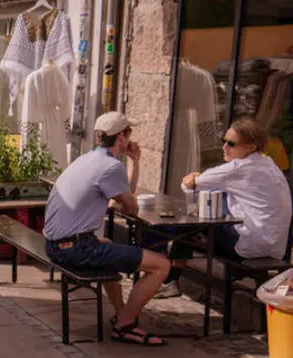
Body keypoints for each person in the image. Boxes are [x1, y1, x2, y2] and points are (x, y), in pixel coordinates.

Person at [42, 111, 170, 345]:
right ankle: (125, 326)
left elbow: (121, 197)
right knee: (161, 265)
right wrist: (133, 163)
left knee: (109, 245)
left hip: (55, 245)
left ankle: (122, 315)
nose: (130, 138)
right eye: (129, 133)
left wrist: (134, 162)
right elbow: (131, 208)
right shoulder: (111, 167)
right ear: (121, 137)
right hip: (75, 248)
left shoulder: (86, 159)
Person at [163, 118, 292, 293]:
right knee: (213, 200)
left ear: (251, 147)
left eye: (231, 144)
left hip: (249, 246)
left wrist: (192, 179)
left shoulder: (239, 168)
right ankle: (176, 270)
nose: (224, 147)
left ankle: (169, 280)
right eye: (224, 141)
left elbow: (187, 186)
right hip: (274, 247)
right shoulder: (268, 164)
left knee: (189, 223)